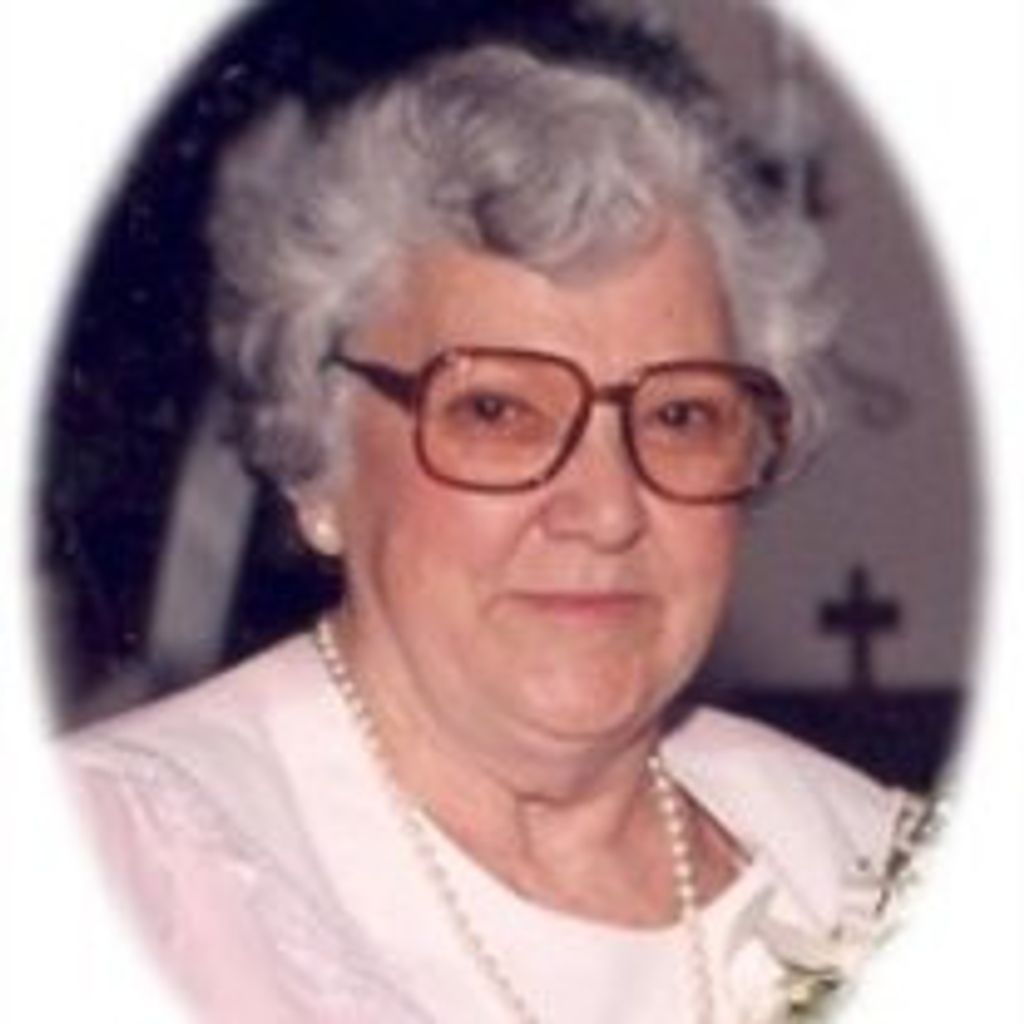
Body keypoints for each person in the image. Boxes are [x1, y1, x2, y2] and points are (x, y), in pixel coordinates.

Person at [62, 4, 932, 1022]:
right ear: (319, 463)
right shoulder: (118, 872)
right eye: (496, 411)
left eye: (679, 415)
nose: (606, 511)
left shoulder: (865, 864)